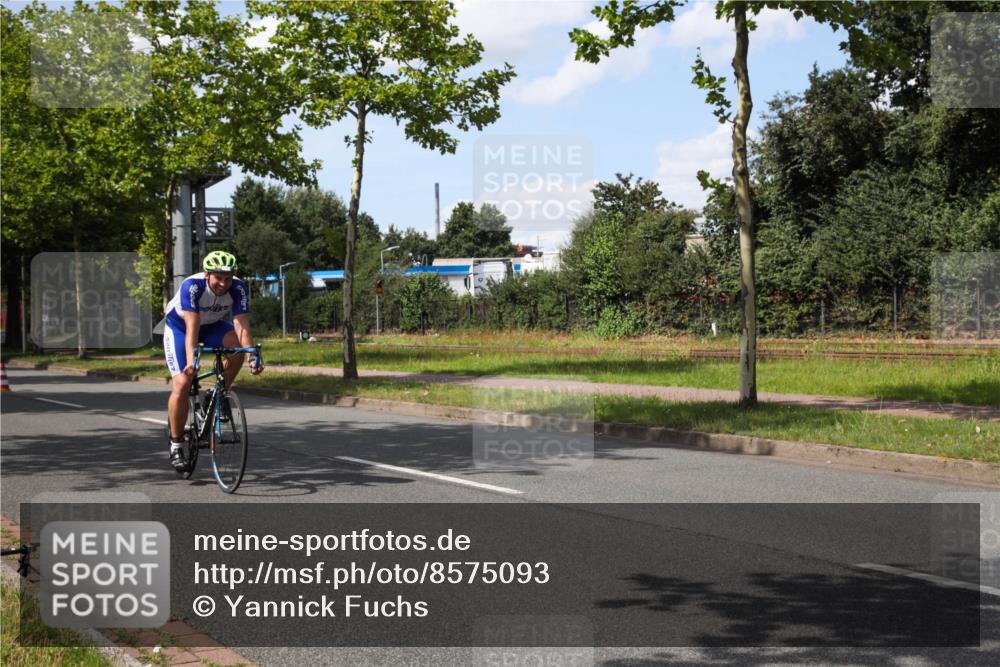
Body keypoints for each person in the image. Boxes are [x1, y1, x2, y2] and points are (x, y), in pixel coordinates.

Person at [163, 251, 262, 471]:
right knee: (182, 383)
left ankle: (218, 394)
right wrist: (192, 361)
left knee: (237, 348)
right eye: (218, 278)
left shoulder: (238, 288)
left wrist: (252, 355)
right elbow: (192, 327)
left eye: (228, 278)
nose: (223, 284)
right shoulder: (193, 286)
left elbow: (242, 325)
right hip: (180, 327)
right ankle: (176, 443)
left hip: (213, 326)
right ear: (208, 275)